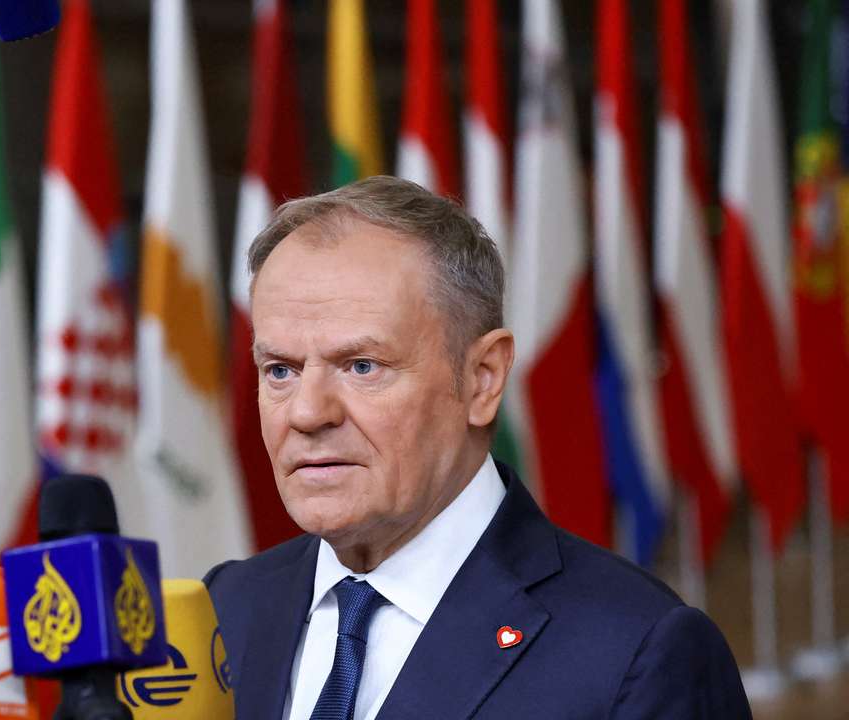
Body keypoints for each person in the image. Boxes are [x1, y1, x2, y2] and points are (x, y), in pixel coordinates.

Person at [205, 176, 749, 720]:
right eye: (280, 370)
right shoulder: (222, 609)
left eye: (362, 366)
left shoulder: (637, 653)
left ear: (483, 378)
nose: (306, 412)